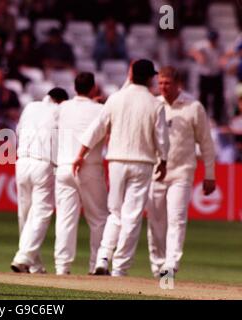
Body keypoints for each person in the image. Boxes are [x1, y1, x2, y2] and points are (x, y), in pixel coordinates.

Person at [73, 59, 169, 277]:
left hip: (116, 161)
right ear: (149, 78)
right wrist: (163, 161)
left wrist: (80, 155)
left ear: (131, 74)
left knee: (115, 213)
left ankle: (103, 258)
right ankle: (119, 267)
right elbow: (162, 138)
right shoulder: (156, 104)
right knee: (132, 215)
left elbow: (98, 128)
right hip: (142, 162)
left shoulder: (116, 98)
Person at [146, 66, 216, 278]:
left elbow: (206, 143)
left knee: (176, 218)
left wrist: (210, 174)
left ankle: (170, 265)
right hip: (156, 172)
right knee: (156, 221)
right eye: (160, 83)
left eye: (167, 83)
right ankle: (158, 265)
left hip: (182, 172)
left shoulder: (193, 107)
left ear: (178, 84)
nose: (163, 88)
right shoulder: (154, 105)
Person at [54, 72, 109, 275]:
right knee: (99, 219)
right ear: (93, 88)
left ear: (74, 88)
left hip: (64, 167)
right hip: (89, 167)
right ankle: (97, 265)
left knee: (65, 218)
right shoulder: (101, 109)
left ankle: (62, 267)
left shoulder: (63, 107)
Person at [11, 87, 69, 274]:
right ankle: (24, 257)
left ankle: (34, 264)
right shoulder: (60, 110)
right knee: (41, 213)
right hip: (43, 163)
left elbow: (18, 131)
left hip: (22, 161)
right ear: (61, 101)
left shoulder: (30, 106)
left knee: (25, 213)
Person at [189, 30, 226, 125]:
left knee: (218, 98)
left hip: (216, 74)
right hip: (205, 74)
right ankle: (203, 118)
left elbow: (224, 56)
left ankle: (217, 119)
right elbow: (192, 50)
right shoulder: (203, 45)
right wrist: (199, 56)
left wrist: (222, 61)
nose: (212, 42)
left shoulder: (220, 46)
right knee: (203, 96)